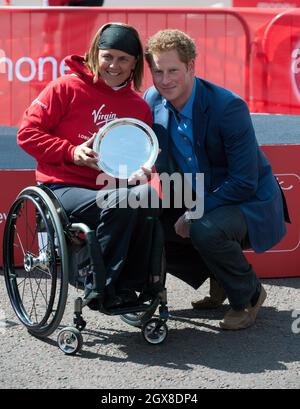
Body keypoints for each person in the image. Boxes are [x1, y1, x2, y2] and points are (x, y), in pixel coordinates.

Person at [144, 29, 290, 330]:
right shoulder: (152, 99)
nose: (165, 80)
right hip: (195, 195)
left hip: (247, 200)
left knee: (204, 229)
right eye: (157, 71)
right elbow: (149, 148)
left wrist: (193, 213)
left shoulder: (227, 107)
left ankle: (248, 295)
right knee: (144, 222)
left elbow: (244, 181)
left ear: (191, 67)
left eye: (173, 70)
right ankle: (221, 278)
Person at [17, 22, 160, 309]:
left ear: (134, 65)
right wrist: (71, 152)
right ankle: (101, 283)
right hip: (63, 184)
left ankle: (133, 287)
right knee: (125, 201)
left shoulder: (139, 107)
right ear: (95, 54)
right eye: (107, 56)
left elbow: (137, 158)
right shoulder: (65, 88)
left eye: (123, 59)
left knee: (147, 197)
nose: (113, 65)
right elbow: (27, 134)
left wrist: (142, 172)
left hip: (113, 188)